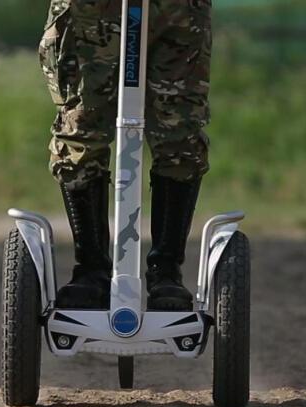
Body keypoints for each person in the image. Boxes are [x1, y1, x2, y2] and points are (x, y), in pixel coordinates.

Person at [39, 0, 211, 311]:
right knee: (79, 130)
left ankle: (166, 272)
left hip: (175, 9)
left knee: (180, 137)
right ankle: (91, 269)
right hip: (89, 11)